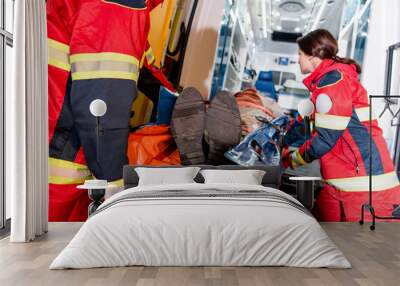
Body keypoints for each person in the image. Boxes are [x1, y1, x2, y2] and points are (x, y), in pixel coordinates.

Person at [282, 29, 400, 222]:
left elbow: (325, 138)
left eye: (300, 54)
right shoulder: (327, 82)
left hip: (364, 189)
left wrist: (290, 159)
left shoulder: (332, 83)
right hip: (346, 182)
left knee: (352, 247)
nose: (297, 59)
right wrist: (284, 139)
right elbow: (306, 122)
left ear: (312, 55)